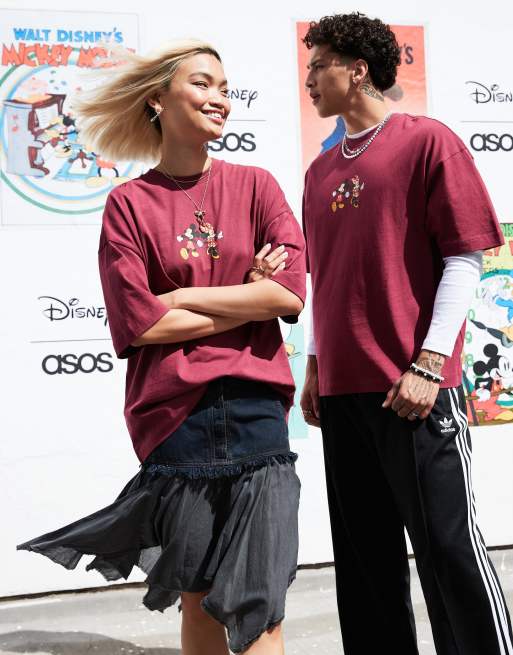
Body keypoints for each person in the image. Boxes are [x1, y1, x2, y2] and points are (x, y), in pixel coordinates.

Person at [17, 40, 306, 655]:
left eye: (224, 87)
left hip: (257, 413)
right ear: (158, 100)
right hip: (176, 419)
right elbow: (140, 325)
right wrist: (239, 298)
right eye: (202, 84)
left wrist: (180, 297)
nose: (219, 98)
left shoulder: (257, 186)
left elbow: (286, 295)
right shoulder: (128, 204)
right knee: (198, 598)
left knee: (261, 605)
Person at [300, 12, 513, 655]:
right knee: (364, 564)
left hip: (414, 388)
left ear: (357, 70)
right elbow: (327, 277)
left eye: (319, 66)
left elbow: (465, 258)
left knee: (449, 550)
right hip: (343, 394)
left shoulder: (427, 141)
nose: (309, 79)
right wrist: (315, 366)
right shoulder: (318, 171)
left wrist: (429, 363)